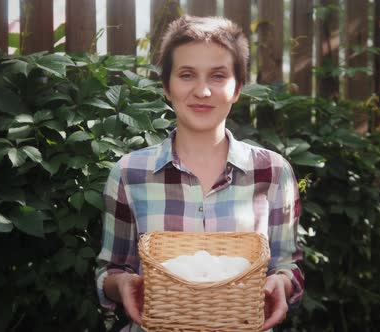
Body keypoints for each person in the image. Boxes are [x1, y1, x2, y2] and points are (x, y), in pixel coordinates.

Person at [95, 15, 304, 332]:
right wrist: (122, 283)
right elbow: (110, 270)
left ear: (237, 89)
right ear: (166, 86)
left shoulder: (273, 173)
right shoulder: (129, 174)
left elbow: (289, 266)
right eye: (187, 75)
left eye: (218, 76)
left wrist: (282, 283)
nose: (203, 91)